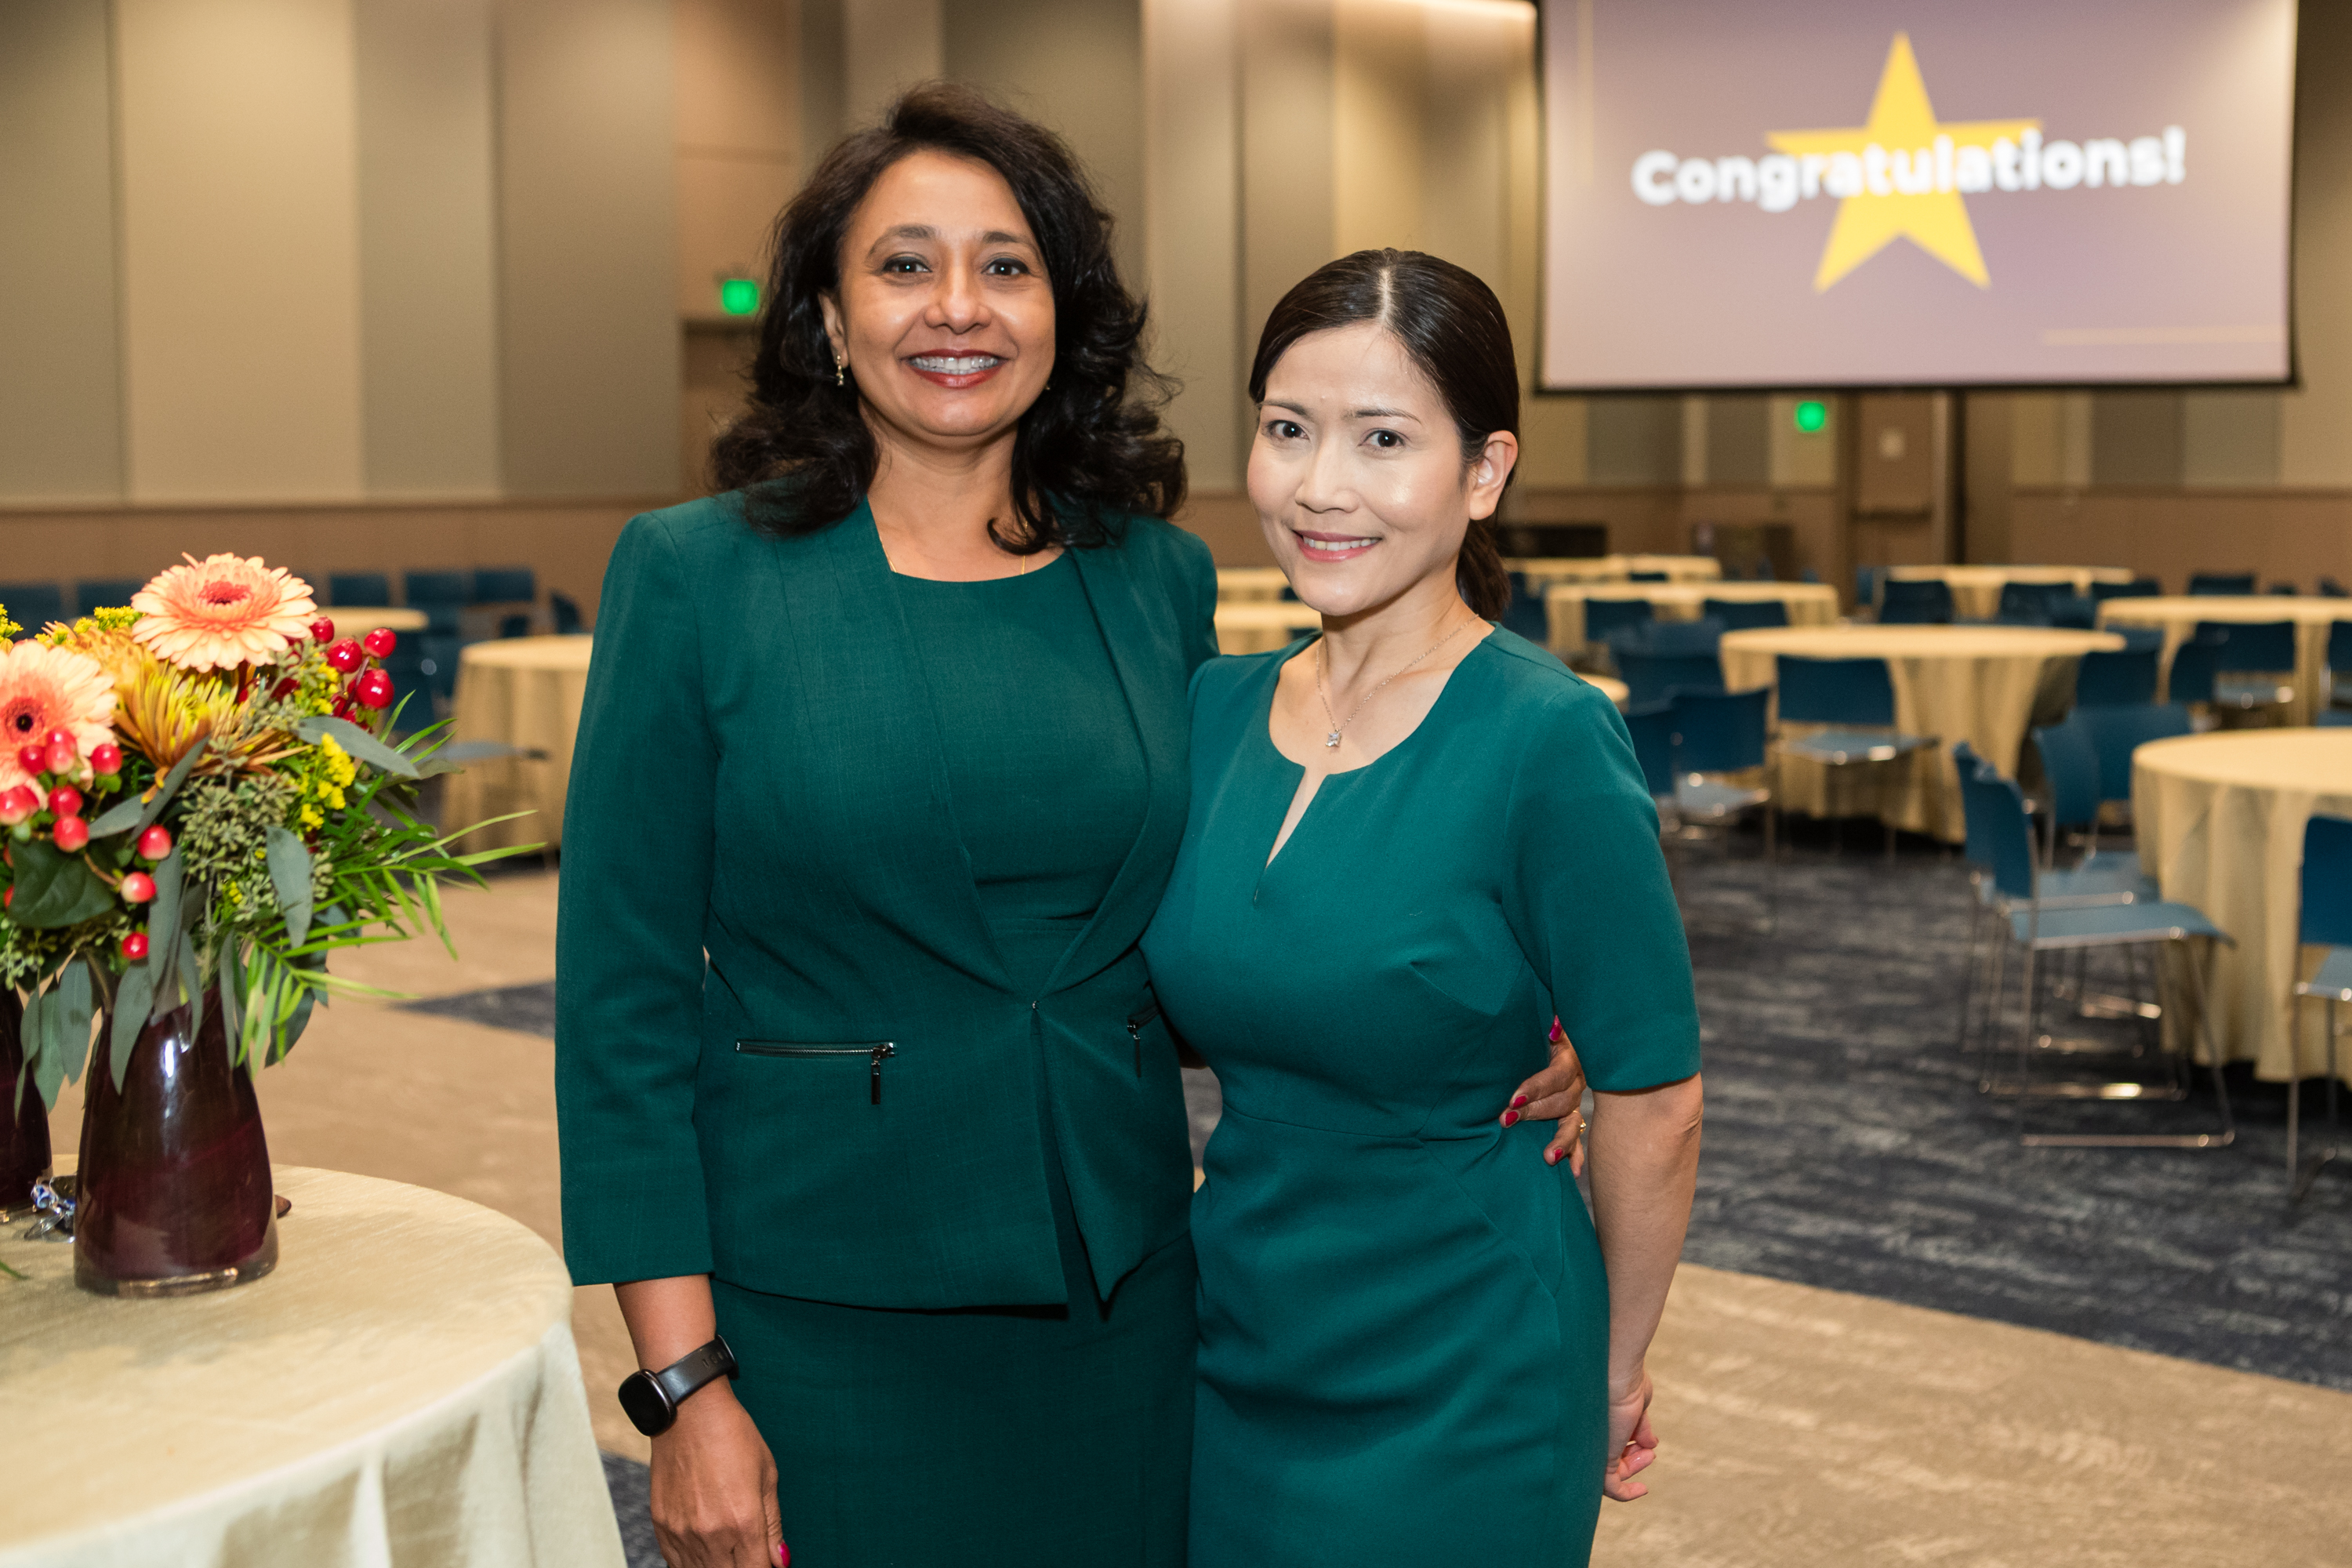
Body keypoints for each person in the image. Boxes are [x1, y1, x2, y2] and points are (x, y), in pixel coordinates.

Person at [557, 87, 1593, 1567]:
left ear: (1062, 314)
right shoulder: (696, 578)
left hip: (1126, 1304)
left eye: (1006, 264)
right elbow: (620, 1013)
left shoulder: (1152, 580)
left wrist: (1493, 1023)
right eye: (904, 266)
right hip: (816, 1317)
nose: (957, 307)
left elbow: (1206, 922)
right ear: (831, 322)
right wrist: (683, 1386)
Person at [1142, 249, 1704, 1566]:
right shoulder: (1212, 709)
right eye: (1289, 430)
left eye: (1382, 439)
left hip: (1473, 1357)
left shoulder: (1547, 736)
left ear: (1485, 472)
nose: (1321, 486)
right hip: (1240, 1324)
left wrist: (1613, 1373)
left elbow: (1656, 1094)